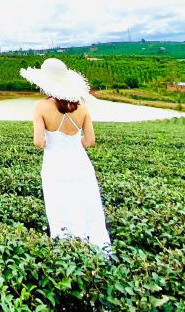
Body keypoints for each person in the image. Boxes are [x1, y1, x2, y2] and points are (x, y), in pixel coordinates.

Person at [21, 58, 112, 257]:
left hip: (55, 165)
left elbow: (38, 142)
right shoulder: (83, 108)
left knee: (61, 207)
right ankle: (99, 252)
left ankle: (67, 252)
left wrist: (54, 143)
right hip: (80, 164)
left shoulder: (40, 107)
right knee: (87, 205)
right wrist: (72, 145)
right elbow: (90, 141)